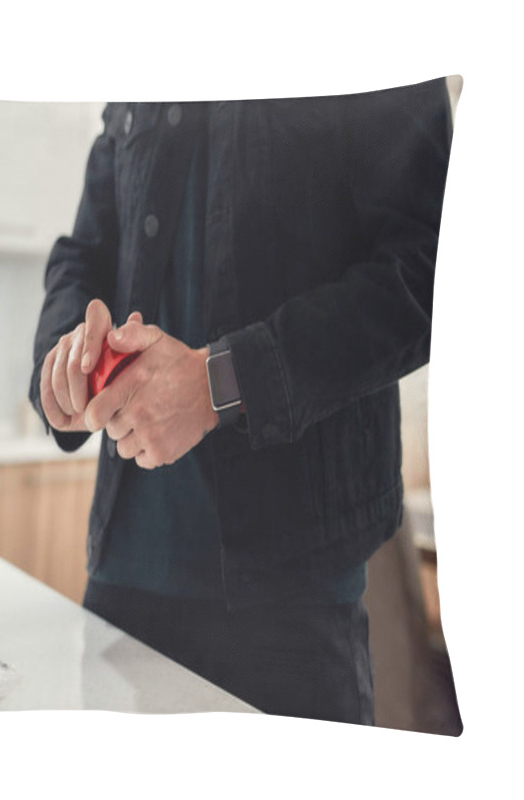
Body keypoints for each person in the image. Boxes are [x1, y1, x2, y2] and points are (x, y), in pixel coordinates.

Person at [29, 78, 454, 724]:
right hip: (124, 575)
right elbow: (84, 253)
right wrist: (63, 361)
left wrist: (217, 383)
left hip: (292, 600)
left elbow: (433, 272)